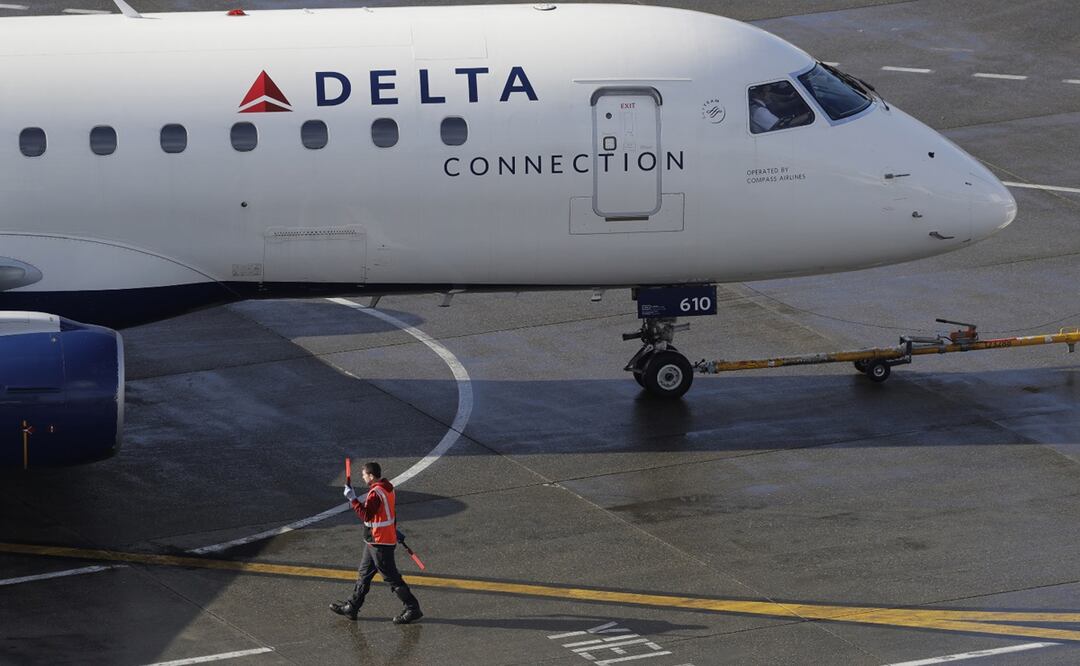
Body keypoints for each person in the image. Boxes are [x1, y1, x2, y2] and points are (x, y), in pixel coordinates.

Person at [330, 461, 423, 624]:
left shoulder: (375, 494)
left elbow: (366, 515)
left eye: (364, 475)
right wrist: (394, 529)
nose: (363, 477)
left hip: (380, 542)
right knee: (364, 574)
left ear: (371, 476)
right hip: (375, 541)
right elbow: (389, 513)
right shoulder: (387, 488)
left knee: (391, 577)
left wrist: (352, 498)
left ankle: (412, 608)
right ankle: (352, 606)